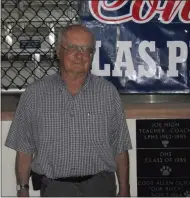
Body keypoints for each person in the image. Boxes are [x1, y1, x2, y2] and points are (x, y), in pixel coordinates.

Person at [5, 24, 132, 197]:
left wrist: (125, 189)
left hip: (101, 188)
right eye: (73, 48)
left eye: (87, 49)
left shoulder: (108, 93)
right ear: (59, 51)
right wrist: (22, 189)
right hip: (55, 189)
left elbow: (120, 147)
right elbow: (24, 149)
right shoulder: (34, 95)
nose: (80, 55)